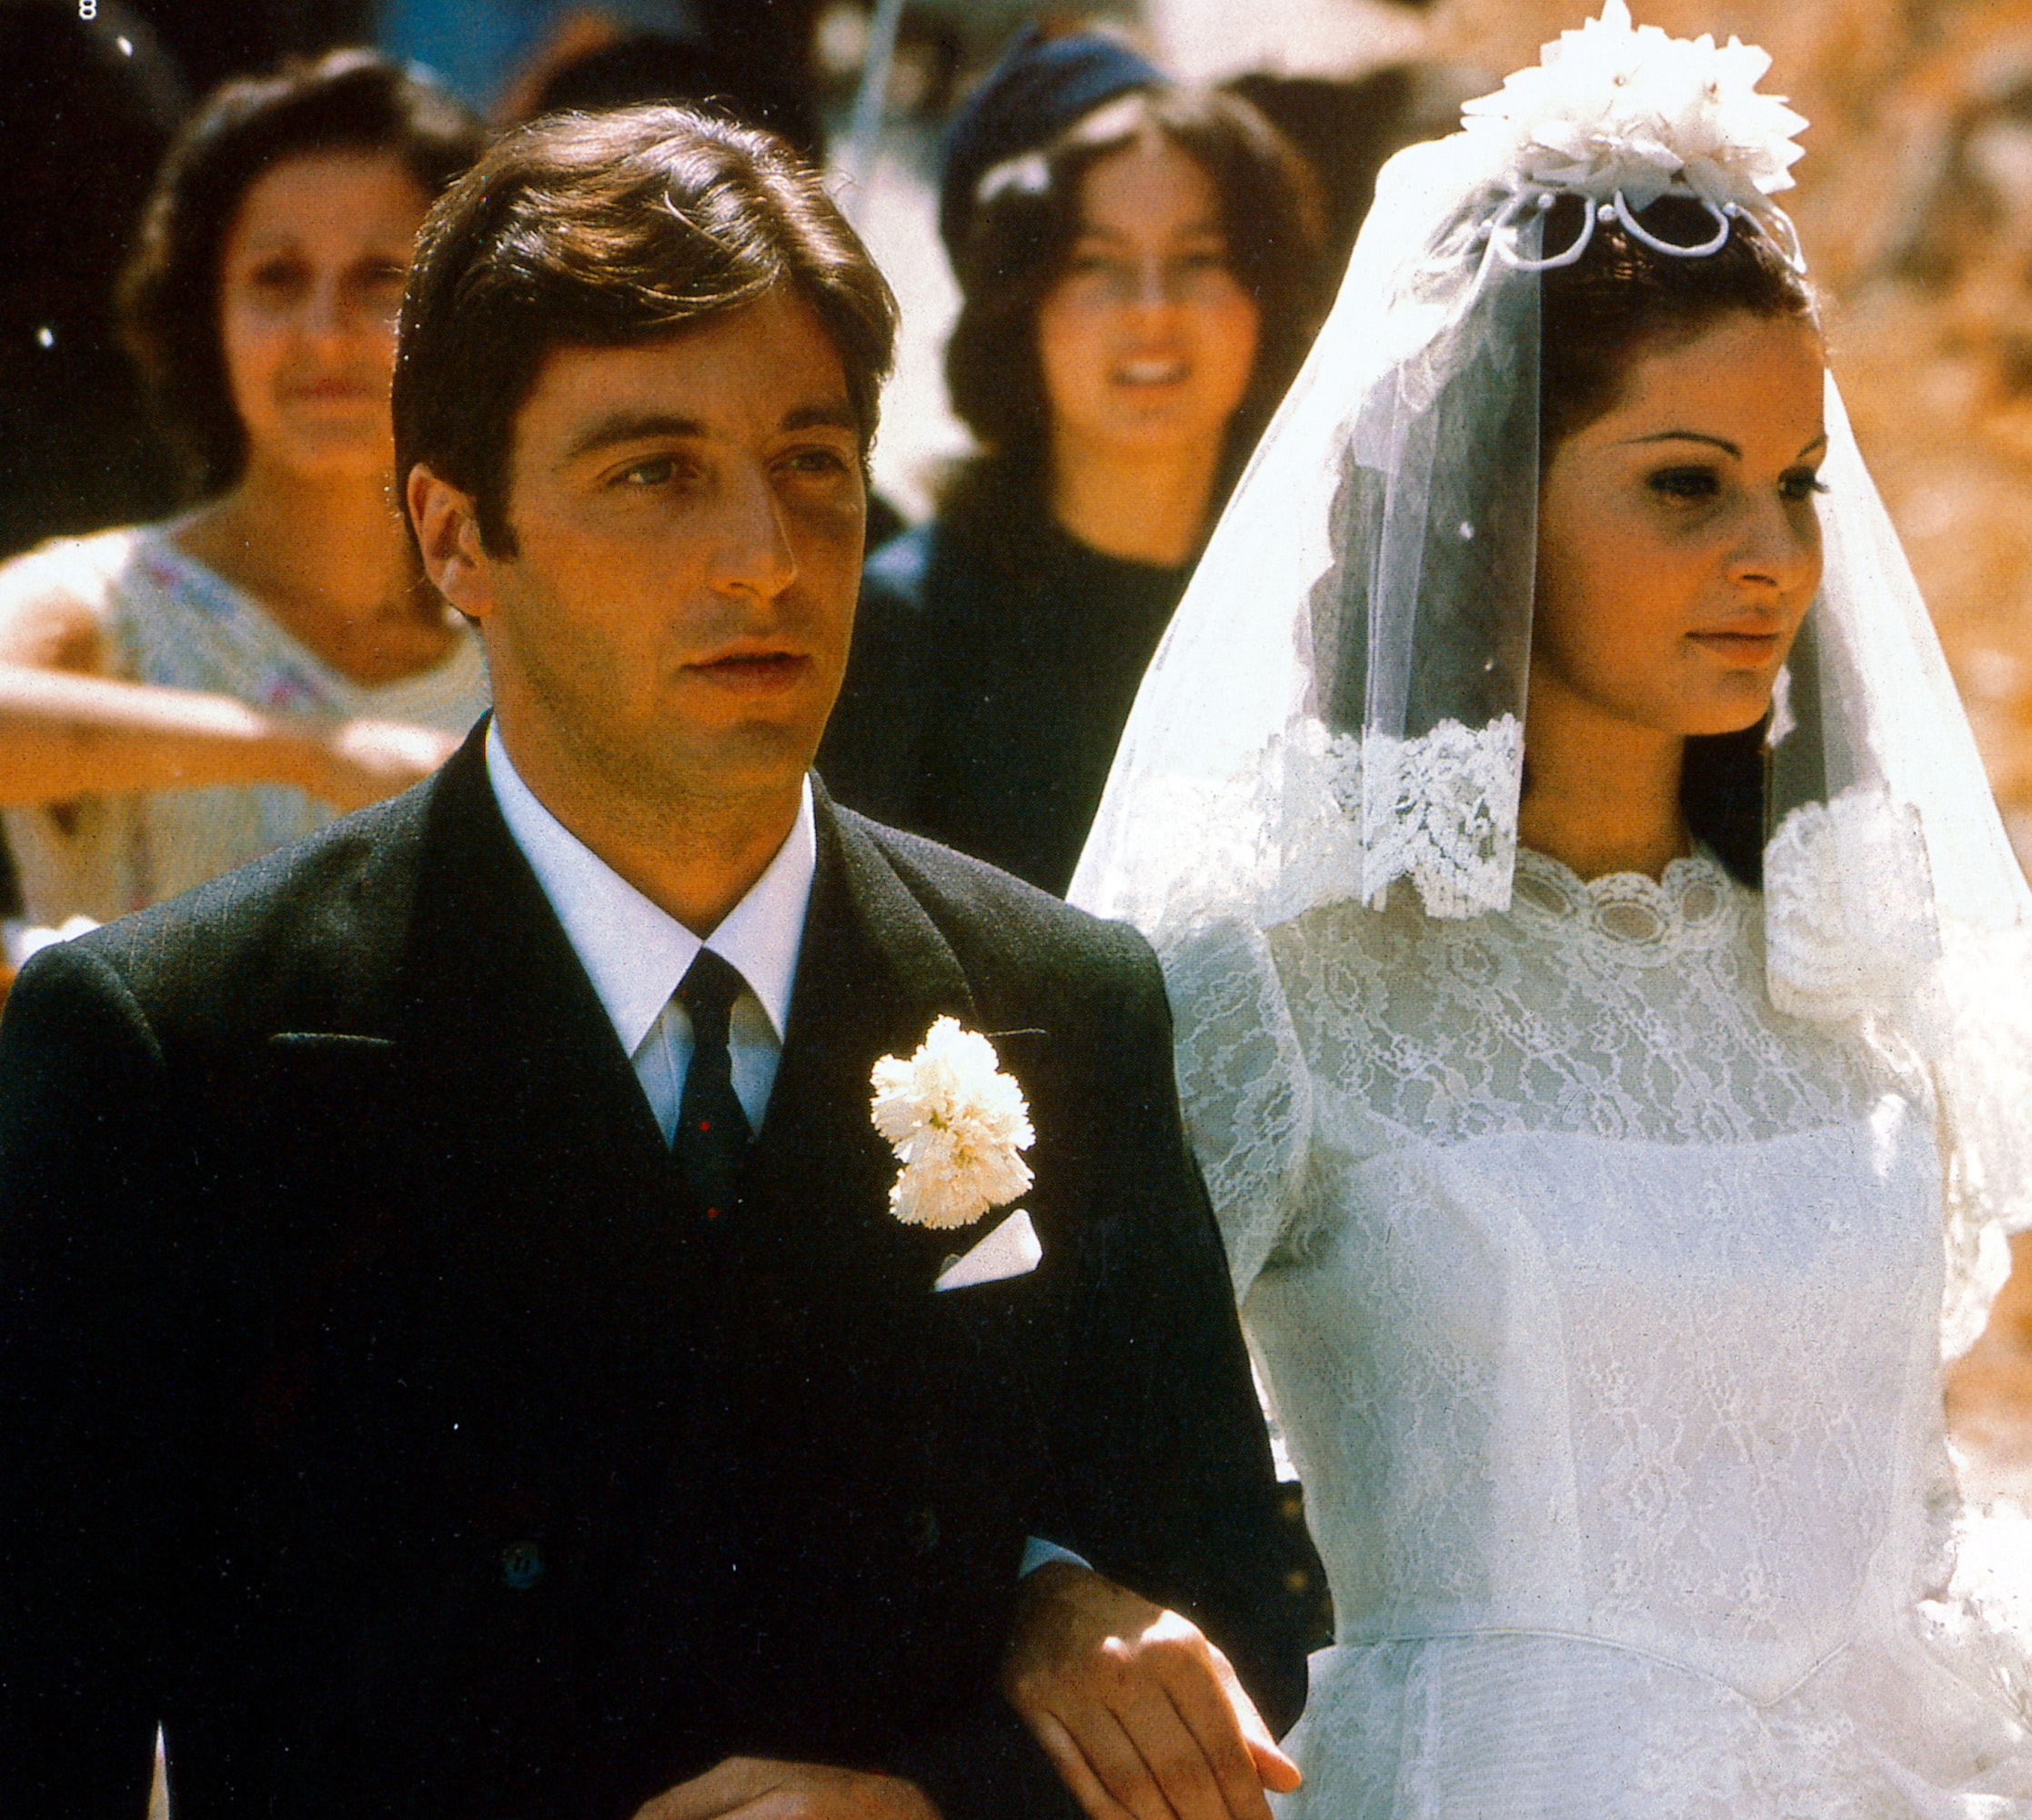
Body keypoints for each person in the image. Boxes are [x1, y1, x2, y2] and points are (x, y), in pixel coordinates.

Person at [0, 106, 1309, 1820]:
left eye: (812, 463)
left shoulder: (1056, 998)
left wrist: (946, 1797)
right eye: (654, 472)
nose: (764, 556)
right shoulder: (177, 1044)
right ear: (456, 534)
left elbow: (1235, 1623)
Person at [1071, 5, 2032, 1813]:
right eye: (1684, 486)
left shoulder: (1839, 972)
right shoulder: (1278, 983)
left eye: (1793, 484)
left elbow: (1886, 1505)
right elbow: (1047, 1435)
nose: (1776, 557)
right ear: (1484, 506)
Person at [819, 29, 1324, 896]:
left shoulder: (1324, 597)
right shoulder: (904, 624)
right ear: (1019, 312)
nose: (1153, 313)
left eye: (1199, 259)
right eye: (1098, 265)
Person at [0, 51, 488, 930]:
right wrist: (307, 752)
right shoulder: (114, 608)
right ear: (206, 314)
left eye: (379, 280)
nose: (323, 337)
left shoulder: (511, 649)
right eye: (277, 279)